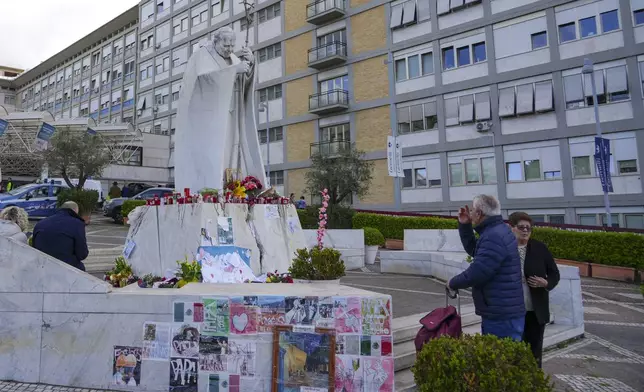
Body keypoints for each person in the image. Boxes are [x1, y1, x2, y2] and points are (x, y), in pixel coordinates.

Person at [447, 195, 525, 340]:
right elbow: (476, 251)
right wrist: (465, 225)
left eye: (472, 210)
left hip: (501, 313)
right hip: (502, 309)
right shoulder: (497, 230)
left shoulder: (493, 236)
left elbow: (479, 271)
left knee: (501, 359)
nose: (470, 213)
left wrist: (453, 282)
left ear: (479, 213)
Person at [509, 212, 560, 367]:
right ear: (512, 228)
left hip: (535, 311)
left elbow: (554, 274)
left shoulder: (540, 248)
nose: (525, 231)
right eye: (521, 227)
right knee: (514, 353)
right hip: (512, 310)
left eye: (528, 228)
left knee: (534, 352)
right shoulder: (506, 249)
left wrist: (545, 283)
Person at [32, 201, 89, 272]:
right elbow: (82, 254)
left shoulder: (40, 223)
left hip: (42, 266)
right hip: (65, 268)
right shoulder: (77, 224)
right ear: (75, 211)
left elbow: (34, 248)